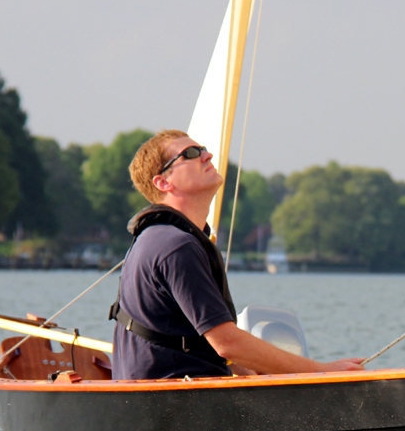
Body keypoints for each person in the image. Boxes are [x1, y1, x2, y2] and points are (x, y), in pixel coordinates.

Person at [110, 129, 365, 380]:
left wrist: (247, 370)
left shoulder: (164, 238)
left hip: (169, 397)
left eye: (204, 150)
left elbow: (189, 338)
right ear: (163, 182)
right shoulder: (176, 246)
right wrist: (321, 370)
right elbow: (227, 343)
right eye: (190, 153)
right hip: (173, 403)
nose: (207, 156)